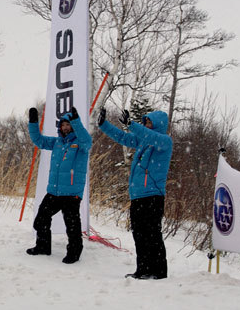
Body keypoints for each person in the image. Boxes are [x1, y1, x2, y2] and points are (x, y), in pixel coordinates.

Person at [97, 107, 173, 279]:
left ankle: (159, 272)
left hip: (153, 195)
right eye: (145, 121)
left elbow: (151, 137)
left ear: (158, 124)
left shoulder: (164, 141)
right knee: (139, 234)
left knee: (152, 234)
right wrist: (104, 125)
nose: (145, 124)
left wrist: (131, 124)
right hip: (138, 195)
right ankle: (144, 269)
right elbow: (122, 137)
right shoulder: (142, 141)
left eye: (149, 122)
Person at [26, 106, 92, 264]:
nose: (65, 128)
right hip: (54, 192)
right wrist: (33, 122)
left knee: (72, 226)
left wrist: (76, 122)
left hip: (71, 193)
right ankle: (43, 246)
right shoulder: (57, 143)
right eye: (63, 125)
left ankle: (74, 253)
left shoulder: (81, 144)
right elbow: (39, 141)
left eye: (68, 125)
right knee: (41, 219)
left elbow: (86, 140)